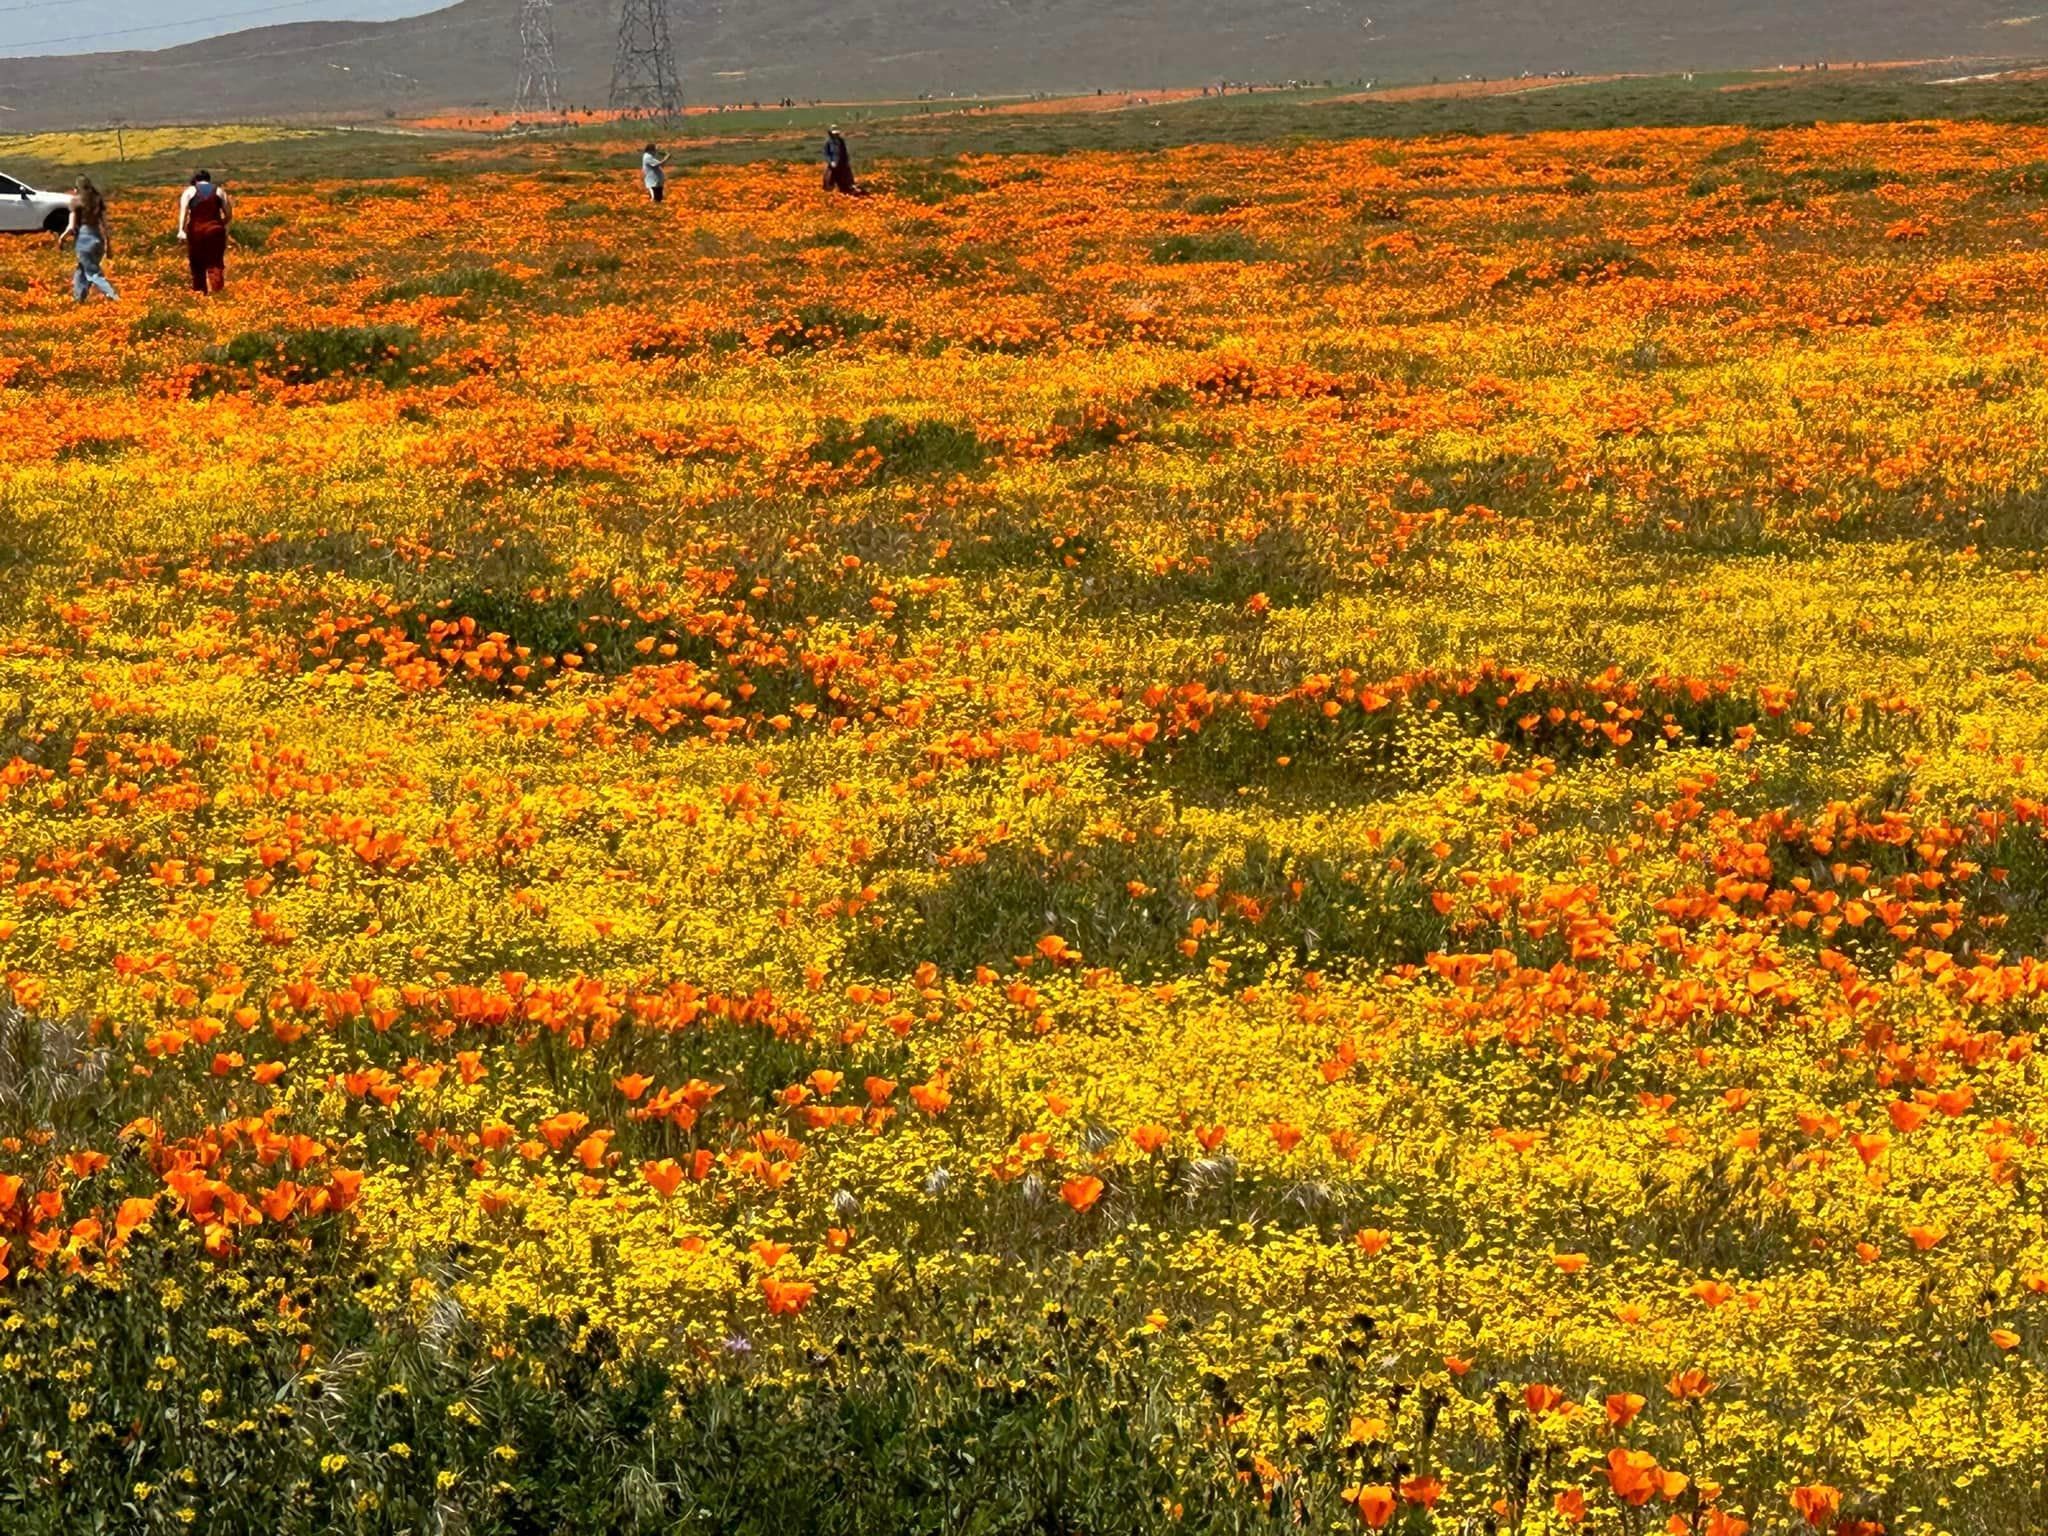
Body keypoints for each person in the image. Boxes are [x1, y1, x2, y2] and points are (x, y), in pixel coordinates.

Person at [55, 177, 117, 304]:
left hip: (84, 239)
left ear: (77, 189)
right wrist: (108, 246)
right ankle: (79, 298)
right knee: (82, 269)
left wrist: (62, 238)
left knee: (93, 273)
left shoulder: (75, 201)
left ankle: (113, 296)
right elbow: (105, 226)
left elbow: (71, 227)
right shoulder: (97, 200)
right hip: (98, 238)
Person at [177, 169, 233, 296]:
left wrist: (181, 230)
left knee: (197, 263)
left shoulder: (190, 191)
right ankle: (218, 293)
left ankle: (200, 294)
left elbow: (184, 212)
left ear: (196, 180)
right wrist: (219, 224)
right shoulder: (219, 191)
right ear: (209, 179)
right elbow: (229, 214)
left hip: (196, 231)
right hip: (215, 231)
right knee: (216, 263)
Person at [823, 126, 857, 194]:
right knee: (828, 177)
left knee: (847, 175)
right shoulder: (828, 142)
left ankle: (849, 187)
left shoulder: (841, 141)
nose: (836, 135)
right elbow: (826, 154)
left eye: (837, 134)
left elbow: (844, 152)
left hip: (842, 163)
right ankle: (828, 189)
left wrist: (846, 161)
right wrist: (831, 161)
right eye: (834, 134)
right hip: (833, 163)